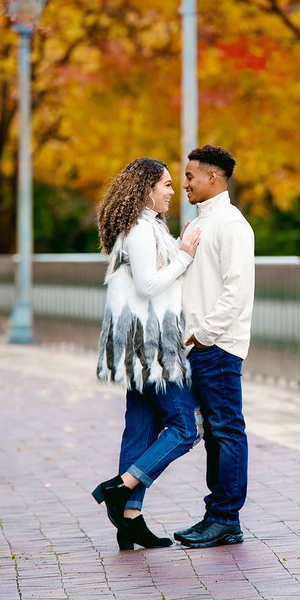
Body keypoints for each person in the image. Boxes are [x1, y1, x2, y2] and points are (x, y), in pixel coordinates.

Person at [93, 157, 201, 550]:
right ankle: (120, 488)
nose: (173, 191)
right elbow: (150, 284)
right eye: (167, 184)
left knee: (139, 429)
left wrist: (179, 250)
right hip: (150, 345)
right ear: (147, 189)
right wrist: (185, 254)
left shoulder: (148, 226)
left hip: (141, 340)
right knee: (186, 428)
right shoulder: (140, 228)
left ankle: (130, 521)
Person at [173, 144, 255, 549]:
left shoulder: (231, 224)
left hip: (219, 346)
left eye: (190, 176)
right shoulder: (195, 224)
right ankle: (216, 516)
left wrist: (204, 335)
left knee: (225, 430)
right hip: (198, 346)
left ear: (213, 178)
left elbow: (236, 291)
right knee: (213, 434)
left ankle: (225, 519)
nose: (184, 183)